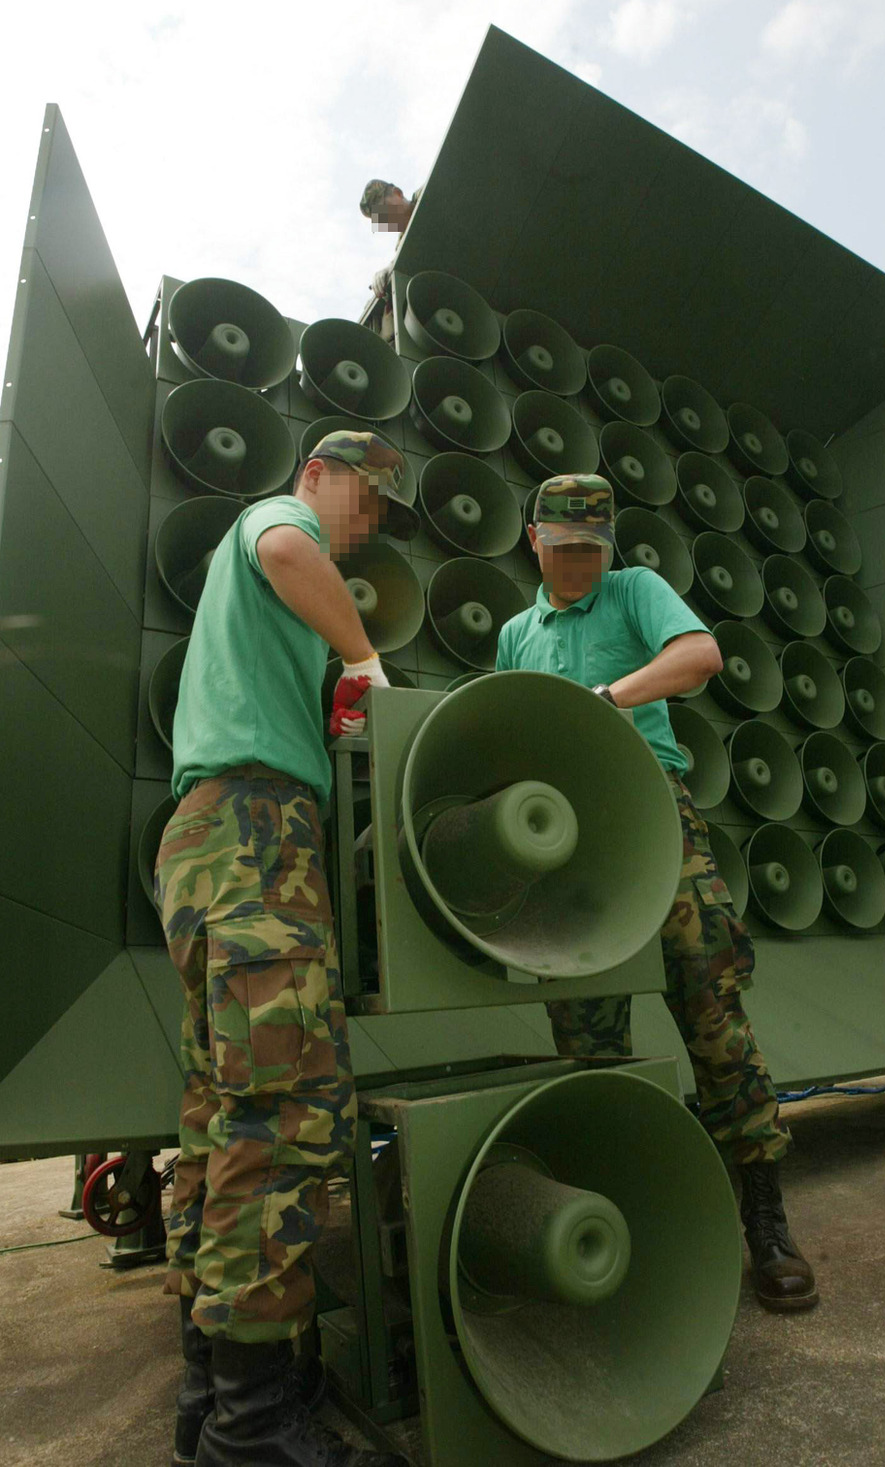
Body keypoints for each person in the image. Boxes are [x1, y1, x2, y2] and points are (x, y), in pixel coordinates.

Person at [154, 430, 417, 1467]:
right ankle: (253, 1433)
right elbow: (285, 551)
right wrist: (363, 658)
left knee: (223, 1117)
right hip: (253, 832)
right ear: (318, 474)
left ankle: (213, 1392)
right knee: (286, 1110)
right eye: (366, 496)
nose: (371, 520)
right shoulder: (281, 519)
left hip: (215, 838)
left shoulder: (275, 594)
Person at [494, 473, 818, 1314]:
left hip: (652, 814)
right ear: (535, 541)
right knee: (585, 1033)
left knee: (712, 1011)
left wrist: (609, 699)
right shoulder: (515, 633)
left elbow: (699, 656)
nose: (578, 566)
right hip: (567, 841)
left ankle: (766, 1224)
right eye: (564, 550)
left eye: (591, 551)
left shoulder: (634, 590)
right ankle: (624, 1216)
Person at [358, 179, 423, 342]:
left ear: (398, 193)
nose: (386, 222)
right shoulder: (401, 246)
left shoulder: (428, 195)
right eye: (380, 220)